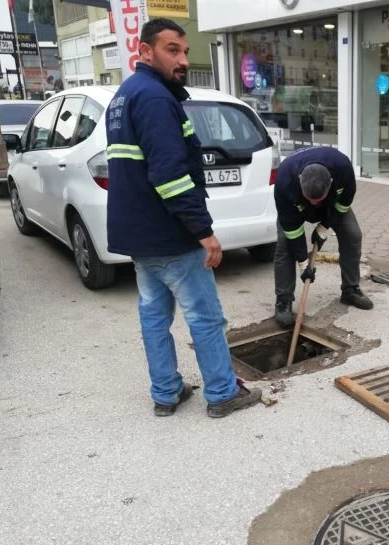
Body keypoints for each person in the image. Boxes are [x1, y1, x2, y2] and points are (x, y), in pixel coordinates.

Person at [105, 18, 260, 418]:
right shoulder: (156, 99)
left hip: (141, 238)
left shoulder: (125, 96)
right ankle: (224, 393)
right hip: (170, 236)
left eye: (185, 51)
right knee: (206, 318)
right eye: (172, 49)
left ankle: (166, 393)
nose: (183, 59)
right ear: (144, 52)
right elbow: (170, 174)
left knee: (154, 317)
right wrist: (203, 231)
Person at [273, 146, 373, 327]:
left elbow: (344, 202)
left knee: (352, 234)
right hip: (295, 209)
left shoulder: (343, 168)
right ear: (299, 180)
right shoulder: (285, 179)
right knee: (285, 246)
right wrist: (304, 263)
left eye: (318, 199)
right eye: (310, 199)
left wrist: (324, 227)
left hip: (331, 206)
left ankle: (350, 290)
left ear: (331, 181)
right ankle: (283, 302)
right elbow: (292, 229)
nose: (314, 203)